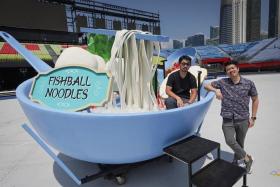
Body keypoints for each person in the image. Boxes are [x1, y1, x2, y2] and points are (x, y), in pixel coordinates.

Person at [204, 60, 259, 174]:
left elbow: (255, 100)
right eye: (228, 69)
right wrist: (216, 91)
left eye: (233, 68)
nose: (231, 71)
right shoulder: (222, 82)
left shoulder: (249, 83)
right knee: (229, 140)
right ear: (226, 72)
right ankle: (248, 158)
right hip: (228, 117)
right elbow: (206, 85)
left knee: (239, 142)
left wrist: (253, 118)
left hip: (243, 118)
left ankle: (237, 160)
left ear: (238, 69)